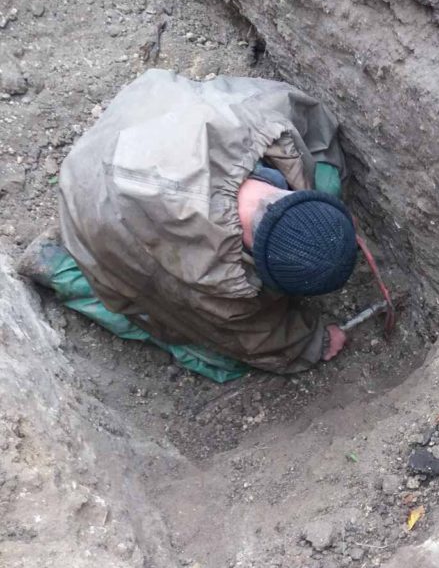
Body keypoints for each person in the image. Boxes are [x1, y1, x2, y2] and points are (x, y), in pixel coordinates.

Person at [20, 69, 359, 380]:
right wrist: (313, 344)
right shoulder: (219, 287)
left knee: (323, 172)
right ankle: (62, 269)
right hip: (86, 206)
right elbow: (257, 340)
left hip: (135, 115)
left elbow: (312, 122)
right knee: (203, 347)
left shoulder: (264, 121)